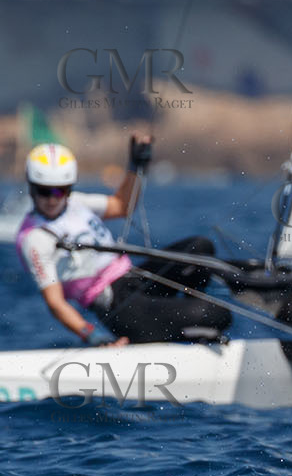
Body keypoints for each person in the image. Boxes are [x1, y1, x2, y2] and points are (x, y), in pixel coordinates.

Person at [16, 138, 233, 345]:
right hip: (119, 309)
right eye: (44, 191)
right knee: (219, 314)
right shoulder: (34, 239)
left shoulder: (76, 203)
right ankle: (188, 324)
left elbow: (122, 206)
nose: (53, 199)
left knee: (199, 248)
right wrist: (94, 337)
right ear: (31, 187)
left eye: (60, 190)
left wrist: (135, 165)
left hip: (134, 281)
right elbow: (55, 303)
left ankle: (184, 324)